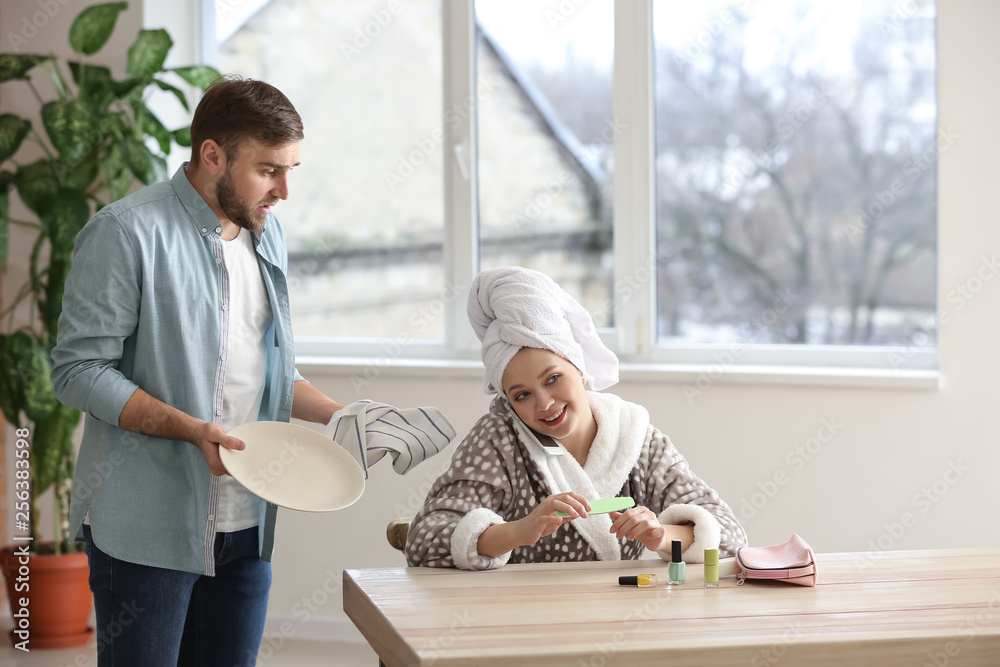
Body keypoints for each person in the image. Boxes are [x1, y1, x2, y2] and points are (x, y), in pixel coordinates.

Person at [51, 76, 343, 666]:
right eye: (268, 170)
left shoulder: (266, 232)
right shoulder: (126, 231)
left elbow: (263, 369)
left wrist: (346, 415)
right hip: (147, 526)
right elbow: (78, 369)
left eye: (291, 169)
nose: (284, 190)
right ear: (213, 154)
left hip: (249, 519)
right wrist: (191, 430)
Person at [405, 266, 747, 570]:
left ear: (580, 367)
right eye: (521, 395)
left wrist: (660, 536)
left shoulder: (635, 436)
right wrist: (518, 531)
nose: (545, 404)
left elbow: (730, 536)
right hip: (516, 619)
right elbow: (424, 540)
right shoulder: (499, 439)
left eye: (553, 378)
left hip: (620, 614)